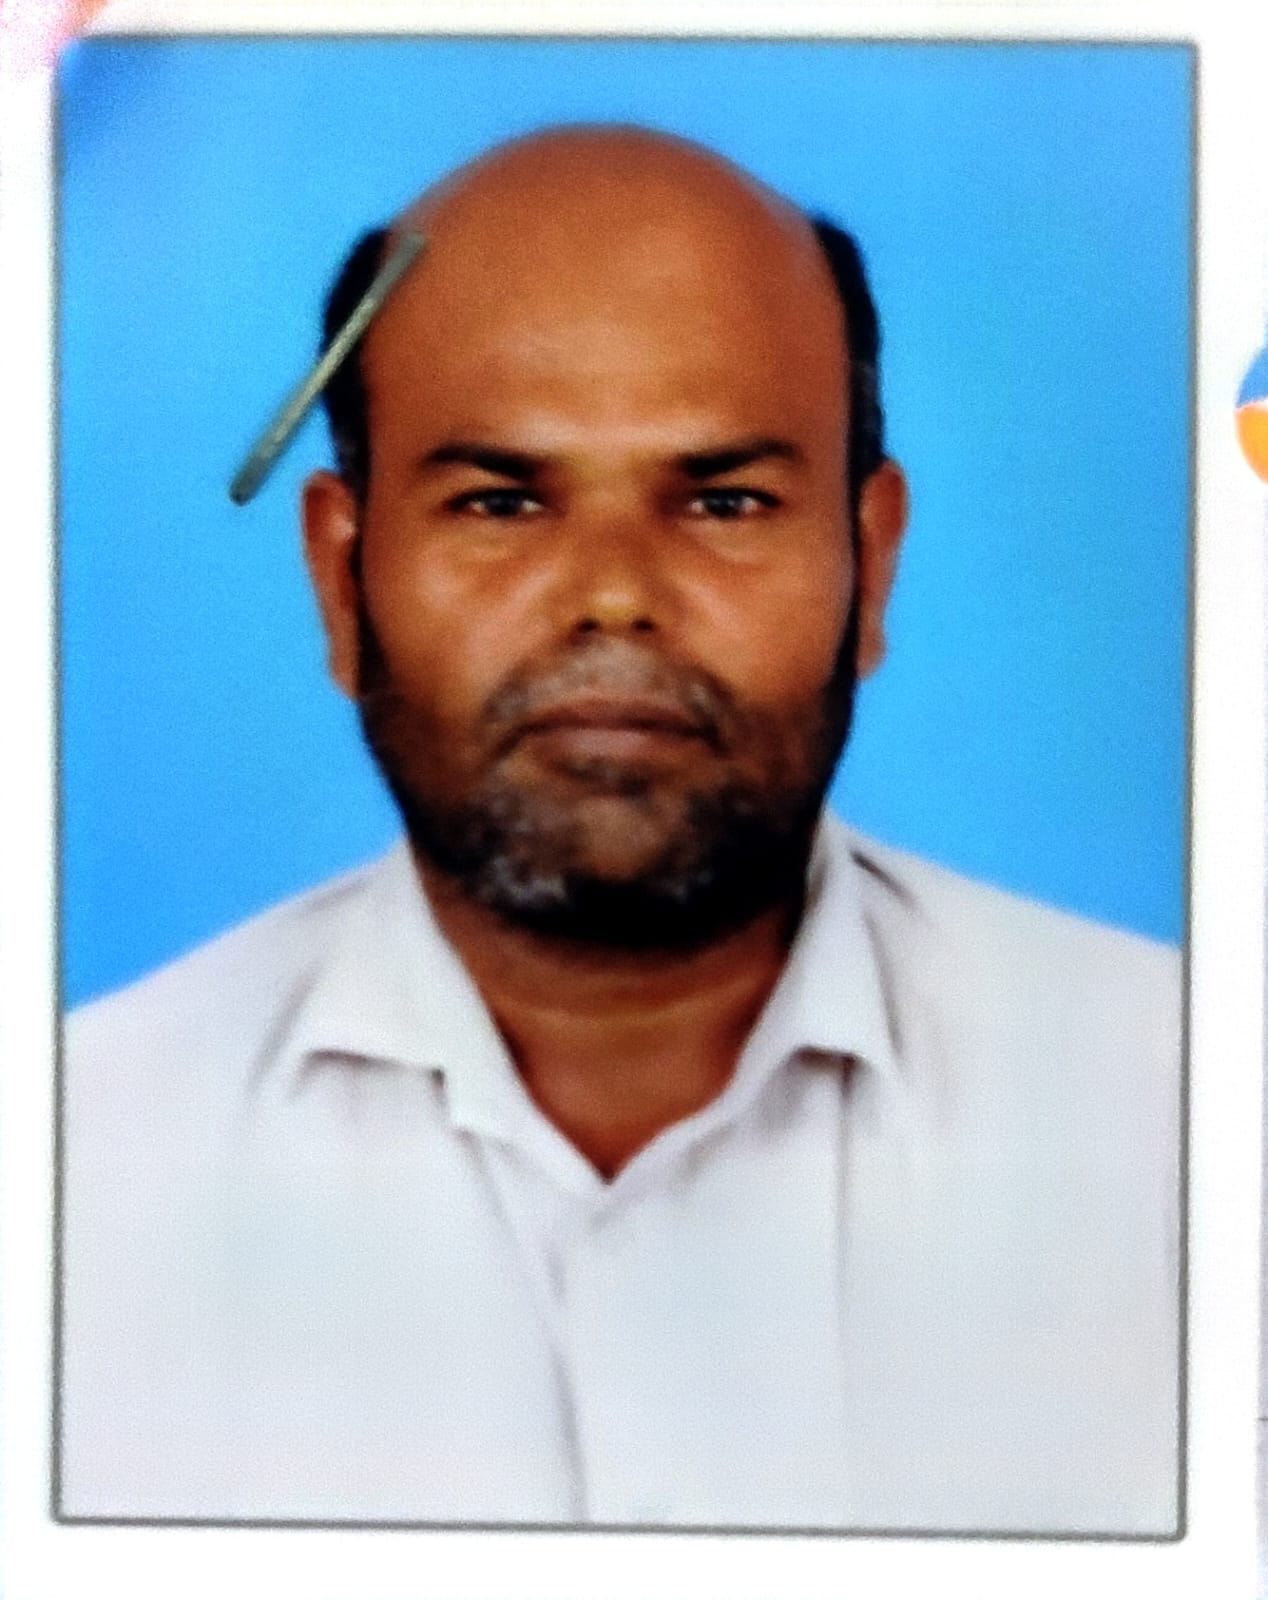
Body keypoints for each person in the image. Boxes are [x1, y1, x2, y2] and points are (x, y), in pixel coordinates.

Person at [61, 124, 1180, 1533]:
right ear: (342, 581)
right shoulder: (69, 1166)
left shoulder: (1185, 1109)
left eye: (724, 502)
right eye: (500, 502)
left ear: (871, 561)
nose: (612, 596)